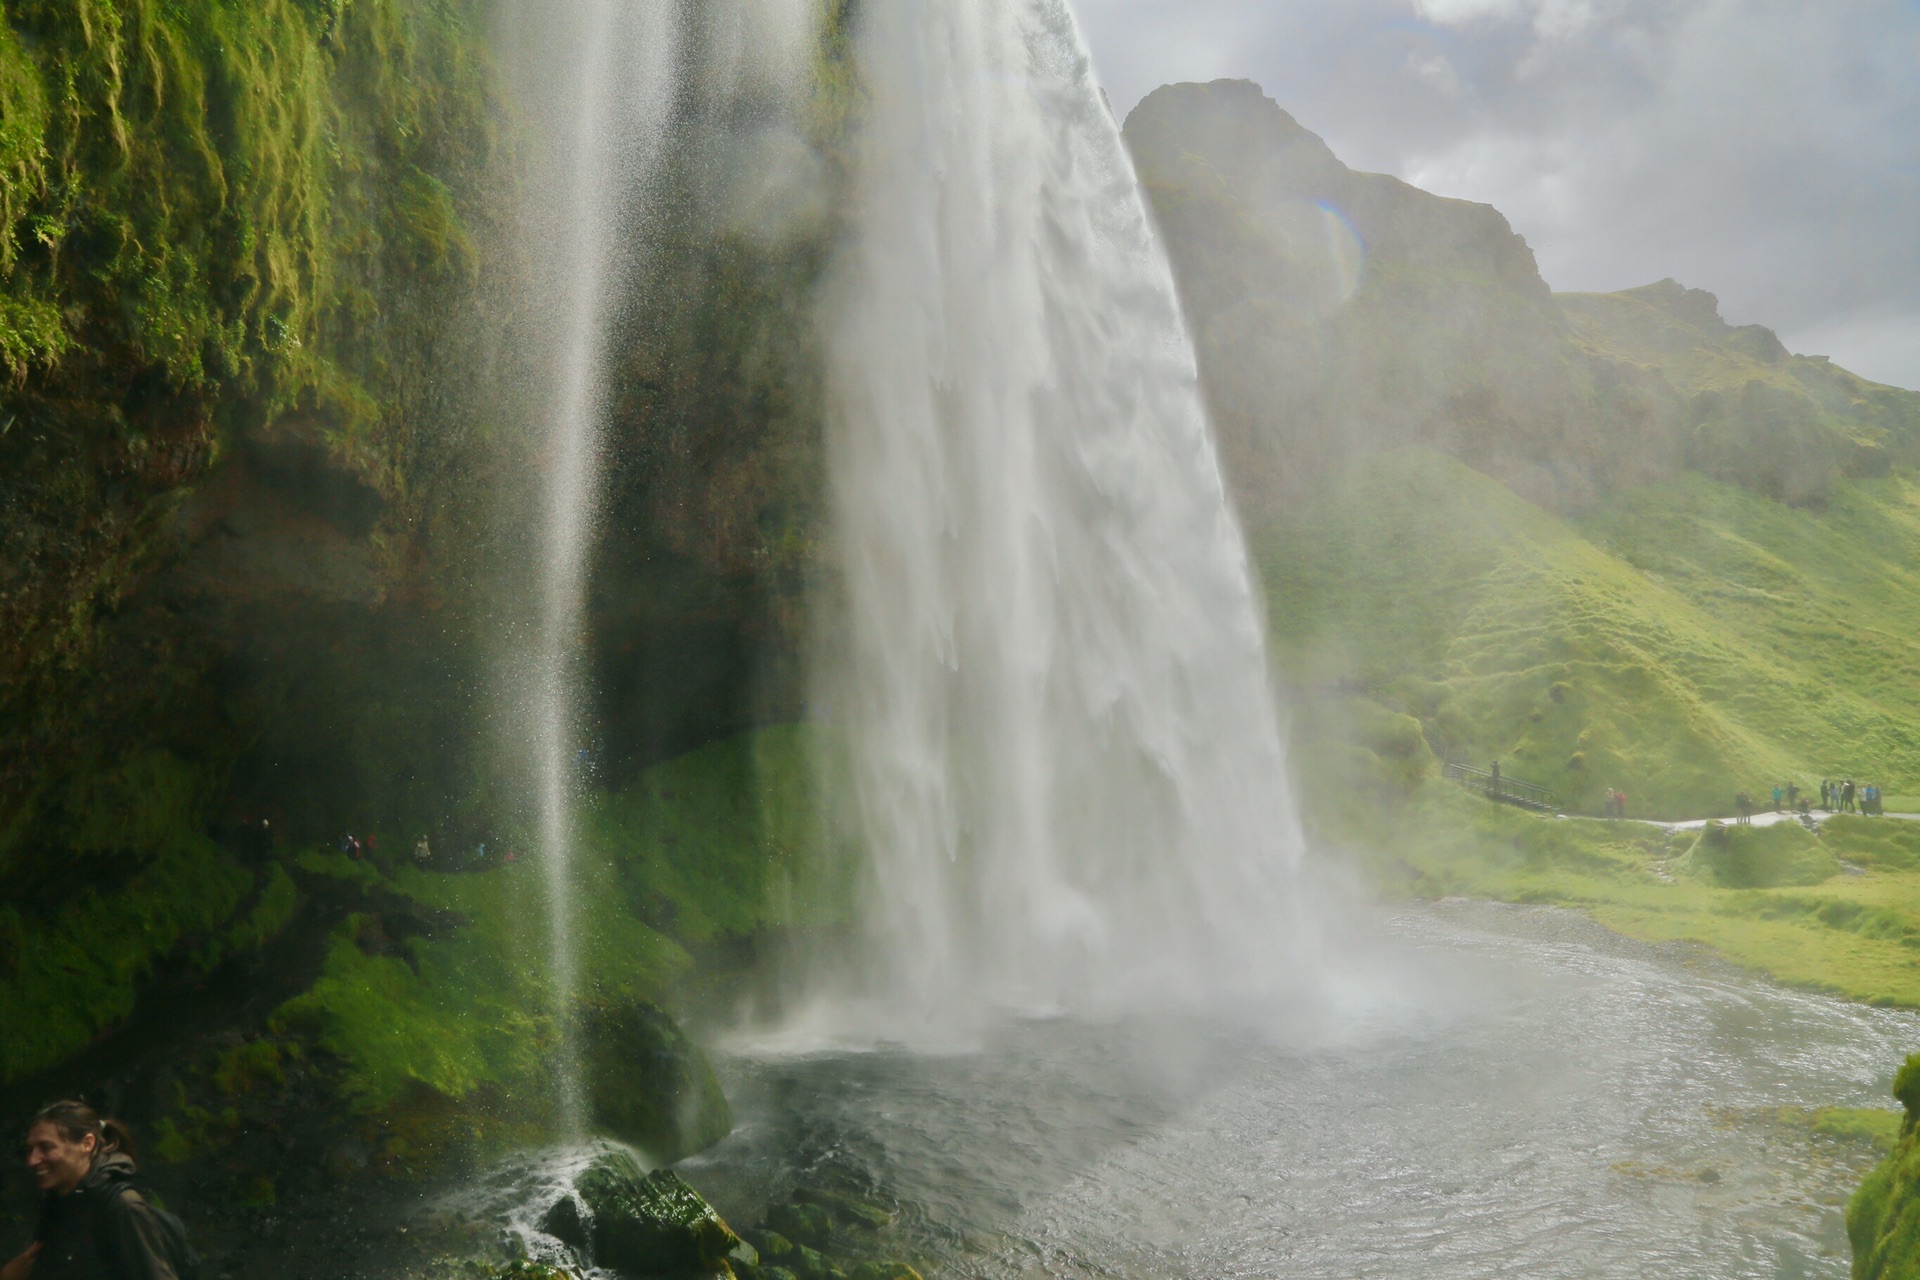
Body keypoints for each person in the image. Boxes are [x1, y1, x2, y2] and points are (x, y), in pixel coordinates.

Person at [3, 1101, 192, 1279]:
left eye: (46, 1147)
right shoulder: (59, 1205)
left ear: (87, 1144)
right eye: (31, 1149)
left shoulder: (120, 1207)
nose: (32, 1160)